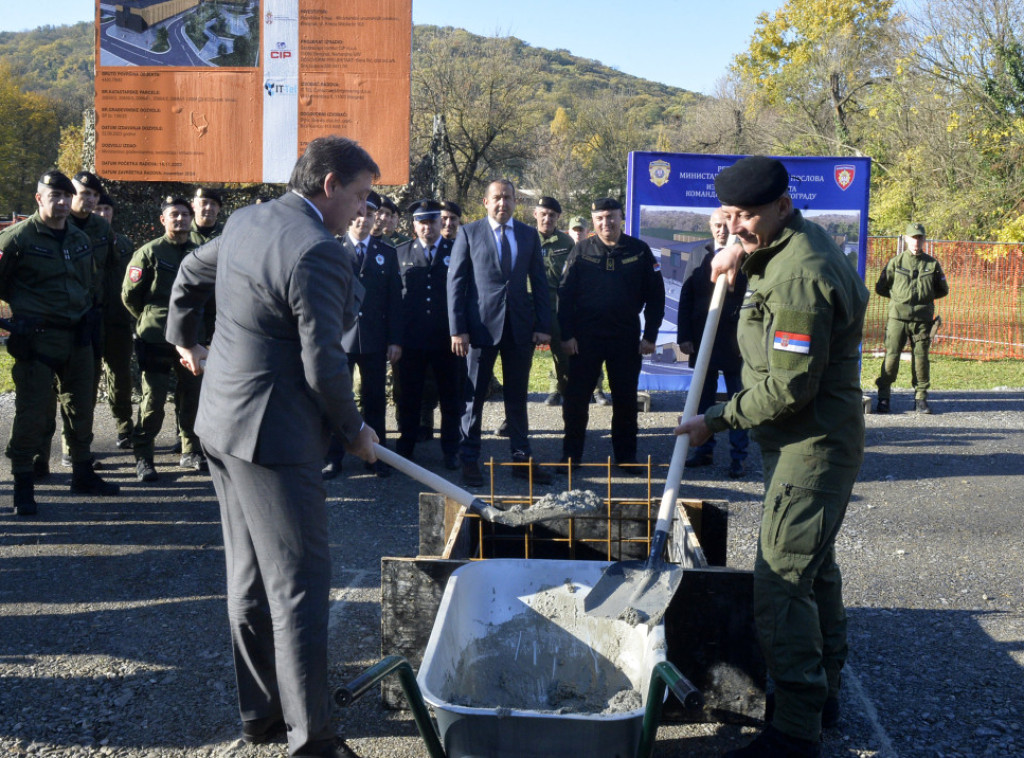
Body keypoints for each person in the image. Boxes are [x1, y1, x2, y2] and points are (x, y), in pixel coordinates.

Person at [165, 135, 379, 758]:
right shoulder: (318, 250)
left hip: (221, 427)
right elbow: (324, 365)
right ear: (329, 185)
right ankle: (312, 739)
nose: (363, 209)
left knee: (250, 580)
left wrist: (184, 338)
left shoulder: (247, 220)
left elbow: (189, 272)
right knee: (299, 587)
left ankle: (261, 716)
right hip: (274, 440)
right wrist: (355, 431)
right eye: (360, 195)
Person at [676, 156, 868, 758]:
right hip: (803, 441)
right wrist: (738, 249)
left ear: (783, 205)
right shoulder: (788, 241)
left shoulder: (798, 278)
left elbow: (788, 388)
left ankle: (795, 732)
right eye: (729, 216)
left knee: (781, 581)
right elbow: (757, 244)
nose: (738, 227)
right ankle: (824, 692)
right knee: (815, 569)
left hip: (810, 446)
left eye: (749, 217)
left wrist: (716, 419)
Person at [0, 170, 120, 516]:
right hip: (38, 338)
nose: (64, 202)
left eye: (67, 196)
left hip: (77, 336)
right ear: (39, 199)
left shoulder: (79, 238)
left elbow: (88, 282)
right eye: (56, 196)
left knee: (81, 408)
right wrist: (16, 318)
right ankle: (23, 486)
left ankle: (82, 474)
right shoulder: (17, 239)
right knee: (33, 414)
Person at [448, 179, 553, 486]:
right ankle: (469, 458)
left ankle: (521, 458)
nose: (502, 203)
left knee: (517, 397)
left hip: (519, 328)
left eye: (508, 198)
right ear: (486, 202)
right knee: (474, 397)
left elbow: (540, 282)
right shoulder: (469, 233)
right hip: (480, 329)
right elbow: (456, 284)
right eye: (497, 198)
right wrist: (458, 330)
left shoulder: (528, 234)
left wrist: (543, 326)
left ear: (515, 202)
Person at [558, 197, 665, 473]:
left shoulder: (639, 251)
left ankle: (626, 457)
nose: (606, 222)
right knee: (576, 399)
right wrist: (567, 335)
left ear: (621, 218)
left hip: (625, 337)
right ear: (593, 221)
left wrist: (650, 336)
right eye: (600, 218)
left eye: (611, 216)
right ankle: (571, 457)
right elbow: (565, 296)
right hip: (585, 338)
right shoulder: (581, 250)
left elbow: (656, 296)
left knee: (625, 400)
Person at [122, 196, 203, 481]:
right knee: (153, 400)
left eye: (184, 214)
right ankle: (144, 457)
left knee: (192, 396)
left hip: (192, 338)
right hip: (156, 337)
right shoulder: (149, 252)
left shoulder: (201, 253)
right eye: (174, 215)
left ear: (191, 219)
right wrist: (151, 318)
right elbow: (130, 296)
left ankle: (191, 450)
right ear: (163, 220)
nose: (180, 219)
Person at [322, 191, 402, 479]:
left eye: (370, 215)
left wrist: (394, 340)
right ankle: (333, 457)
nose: (364, 220)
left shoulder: (387, 253)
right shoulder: (332, 249)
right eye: (360, 214)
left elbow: (394, 300)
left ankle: (376, 457)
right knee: (336, 399)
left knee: (375, 399)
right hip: (339, 339)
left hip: (374, 339)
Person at [43, 171, 120, 470]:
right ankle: (38, 456)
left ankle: (76, 451)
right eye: (82, 193)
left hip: (91, 317)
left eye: (93, 195)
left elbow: (109, 271)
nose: (88, 199)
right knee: (47, 391)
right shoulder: (57, 224)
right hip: (53, 318)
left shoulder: (101, 228)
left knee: (84, 387)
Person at [677, 208, 749, 478]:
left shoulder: (745, 255)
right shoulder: (699, 254)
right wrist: (684, 336)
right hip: (701, 340)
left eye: (726, 225)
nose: (722, 230)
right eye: (717, 225)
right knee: (703, 398)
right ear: (710, 227)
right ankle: (703, 451)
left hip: (735, 342)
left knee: (737, 399)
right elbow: (686, 297)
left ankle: (738, 457)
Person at [395, 199, 462, 469]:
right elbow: (394, 299)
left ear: (440, 222)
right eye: (422, 223)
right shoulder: (400, 253)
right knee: (409, 397)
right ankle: (406, 448)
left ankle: (451, 450)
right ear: (414, 225)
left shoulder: (456, 250)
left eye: (432, 222)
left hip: (447, 340)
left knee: (451, 398)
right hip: (412, 340)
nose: (428, 228)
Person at [874, 222, 948, 414]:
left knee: (921, 359)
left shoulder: (932, 264)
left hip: (922, 320)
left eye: (920, 238)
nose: (916, 242)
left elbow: (942, 290)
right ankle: (883, 397)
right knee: (891, 358)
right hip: (897, 319)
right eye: (913, 238)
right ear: (906, 239)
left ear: (924, 240)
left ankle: (920, 398)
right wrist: (900, 299)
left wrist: (923, 300)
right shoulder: (896, 262)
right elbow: (881, 287)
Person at [94, 192, 137, 451]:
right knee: (84, 381)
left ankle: (124, 428)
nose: (102, 214)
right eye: (98, 209)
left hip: (118, 320)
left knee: (120, 378)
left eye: (107, 209)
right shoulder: (80, 240)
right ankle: (77, 441)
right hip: (89, 320)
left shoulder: (125, 244)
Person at [533, 196, 575, 407]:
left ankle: (566, 398)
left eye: (552, 215)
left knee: (564, 358)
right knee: (519, 361)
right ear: (535, 214)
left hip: (556, 308)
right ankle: (513, 413)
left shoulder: (566, 243)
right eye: (543, 214)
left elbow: (573, 278)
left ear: (558, 217)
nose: (547, 219)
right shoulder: (525, 238)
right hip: (529, 308)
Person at [566, 214, 611, 406]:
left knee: (595, 351)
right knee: (564, 350)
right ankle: (558, 389)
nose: (577, 233)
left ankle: (597, 389)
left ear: (587, 231)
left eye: (581, 230)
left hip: (590, 312)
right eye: (574, 230)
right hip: (568, 310)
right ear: (569, 231)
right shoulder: (563, 249)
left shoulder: (596, 250)